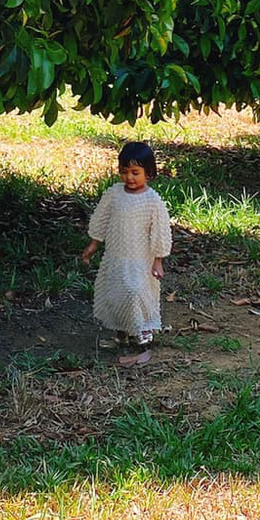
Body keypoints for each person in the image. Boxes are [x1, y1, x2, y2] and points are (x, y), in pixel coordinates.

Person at [80, 141, 172, 367]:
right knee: (117, 292)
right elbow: (101, 219)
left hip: (141, 259)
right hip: (116, 256)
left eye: (135, 172)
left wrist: (158, 260)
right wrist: (93, 244)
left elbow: (160, 231)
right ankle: (121, 332)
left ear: (149, 173)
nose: (129, 177)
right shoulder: (114, 194)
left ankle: (143, 329)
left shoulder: (152, 201)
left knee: (136, 292)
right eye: (124, 172)